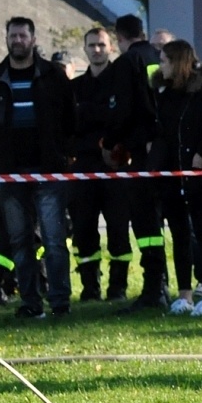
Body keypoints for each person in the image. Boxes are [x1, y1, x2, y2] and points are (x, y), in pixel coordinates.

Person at [0, 16, 75, 319]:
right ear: (6, 39)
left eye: (22, 36)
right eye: (13, 36)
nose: (17, 41)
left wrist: (65, 154)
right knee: (19, 241)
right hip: (8, 173)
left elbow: (70, 119)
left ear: (33, 39)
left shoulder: (53, 76)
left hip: (48, 170)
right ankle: (30, 303)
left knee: (54, 240)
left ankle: (60, 302)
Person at [149, 40, 202, 317]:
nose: (160, 66)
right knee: (179, 235)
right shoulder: (164, 94)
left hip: (200, 176)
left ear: (178, 62)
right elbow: (162, 132)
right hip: (171, 175)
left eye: (164, 61)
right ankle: (184, 295)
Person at [109, 14, 172, 313]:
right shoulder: (160, 57)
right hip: (165, 150)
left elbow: (122, 110)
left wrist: (109, 142)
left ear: (119, 37)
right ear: (143, 33)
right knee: (160, 220)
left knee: (145, 223)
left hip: (139, 154)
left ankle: (153, 289)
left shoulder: (126, 63)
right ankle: (164, 286)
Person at [69, 26, 134, 302]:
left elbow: (124, 121)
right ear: (84, 49)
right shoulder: (74, 89)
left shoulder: (121, 84)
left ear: (111, 48)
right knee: (83, 229)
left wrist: (90, 116)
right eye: (92, 45)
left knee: (118, 228)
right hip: (83, 166)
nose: (96, 50)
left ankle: (118, 287)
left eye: (101, 45)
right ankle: (89, 287)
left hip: (115, 166)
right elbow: (68, 127)